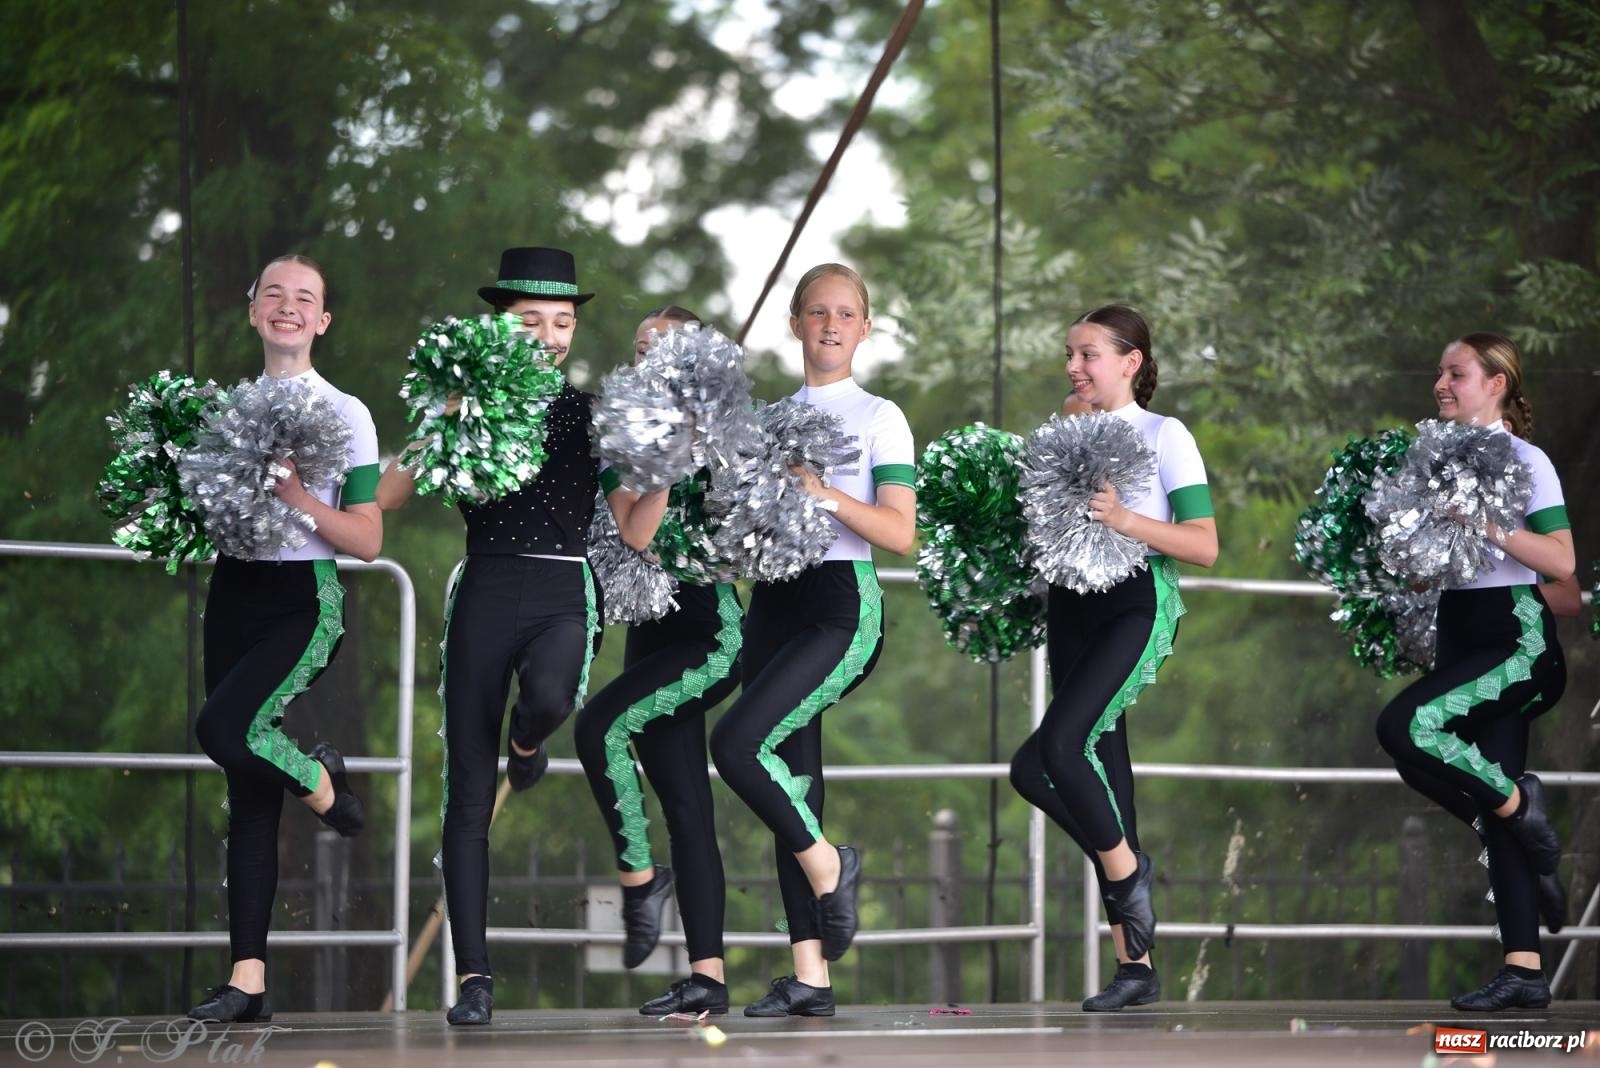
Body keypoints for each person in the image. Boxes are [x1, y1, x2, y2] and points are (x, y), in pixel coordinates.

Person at [377, 247, 602, 1025]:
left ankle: (530, 745)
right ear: (499, 324)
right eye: (530, 319)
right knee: (466, 796)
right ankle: (474, 978)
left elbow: (640, 512)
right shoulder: (464, 398)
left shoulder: (590, 410)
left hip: (562, 585)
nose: (547, 334)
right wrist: (441, 415)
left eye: (561, 322)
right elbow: (390, 494)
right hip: (484, 586)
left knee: (548, 695)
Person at [708, 263, 917, 1017]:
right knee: (791, 778)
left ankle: (833, 865)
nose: (830, 324)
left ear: (866, 327)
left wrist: (824, 494)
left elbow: (899, 531)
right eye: (817, 312)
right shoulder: (764, 420)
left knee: (736, 746)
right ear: (794, 324)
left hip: (838, 603)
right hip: (773, 598)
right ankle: (810, 979)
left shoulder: (879, 416)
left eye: (846, 313)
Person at [187, 254, 383, 1023]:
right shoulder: (225, 409)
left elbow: (366, 538)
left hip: (304, 597)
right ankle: (248, 982)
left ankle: (324, 784)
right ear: (253, 310)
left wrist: (298, 496)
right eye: (275, 293)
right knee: (247, 790)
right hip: (232, 592)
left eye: (305, 298)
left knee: (222, 728)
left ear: (323, 320)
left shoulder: (347, 412)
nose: (289, 306)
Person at [1008, 304, 1217, 1013]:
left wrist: (1125, 518)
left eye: (1088, 353)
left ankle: (1127, 874)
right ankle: (1137, 967)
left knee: (1052, 755)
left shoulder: (1166, 435)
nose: (1074, 366)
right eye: (1070, 353)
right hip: (1071, 608)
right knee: (1098, 772)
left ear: (1130, 361)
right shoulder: (1062, 435)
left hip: (1134, 604)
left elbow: (1204, 543)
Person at [1375, 332, 1575, 1012]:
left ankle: (1523, 810)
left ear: (1496, 384)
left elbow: (1562, 562)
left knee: (1403, 726)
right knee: (1468, 786)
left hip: (1517, 645)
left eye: (1456, 373)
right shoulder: (1431, 462)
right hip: (1462, 640)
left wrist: (1488, 525)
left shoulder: (1527, 460)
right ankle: (1523, 968)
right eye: (1439, 373)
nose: (1441, 383)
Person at [574, 307, 744, 1017]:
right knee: (686, 805)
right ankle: (707, 977)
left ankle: (642, 882)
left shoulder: (728, 433)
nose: (649, 359)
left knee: (597, 728)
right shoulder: (622, 438)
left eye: (664, 348)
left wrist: (697, 444)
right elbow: (633, 533)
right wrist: (660, 460)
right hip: (649, 633)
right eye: (640, 347)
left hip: (709, 637)